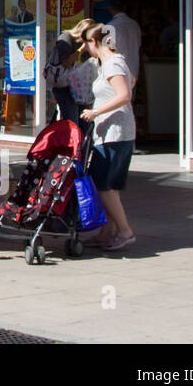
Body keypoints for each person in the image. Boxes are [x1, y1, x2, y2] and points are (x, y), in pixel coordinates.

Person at [79, 23, 137, 251]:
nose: (85, 48)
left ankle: (124, 231)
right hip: (115, 132)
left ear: (94, 43)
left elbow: (124, 94)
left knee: (103, 185)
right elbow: (131, 81)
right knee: (108, 185)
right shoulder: (113, 62)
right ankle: (107, 232)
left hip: (115, 133)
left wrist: (96, 111)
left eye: (86, 43)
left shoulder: (112, 63)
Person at [107, 0, 142, 89]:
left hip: (115, 70)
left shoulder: (109, 26)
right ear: (125, 7)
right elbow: (139, 45)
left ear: (110, 8)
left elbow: (105, 51)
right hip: (133, 69)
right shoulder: (135, 25)